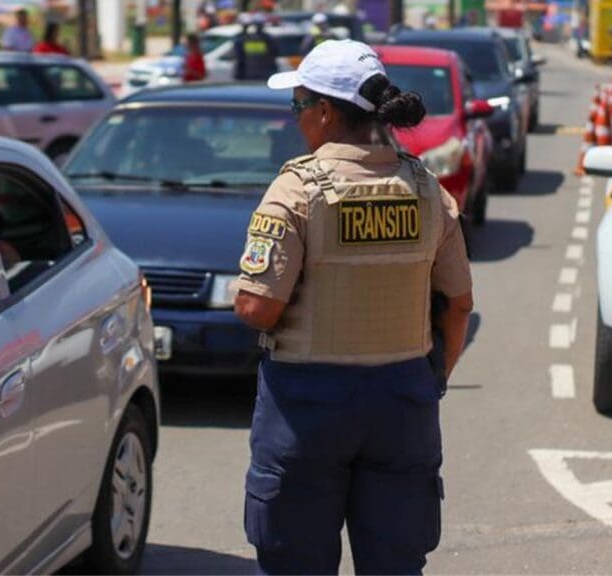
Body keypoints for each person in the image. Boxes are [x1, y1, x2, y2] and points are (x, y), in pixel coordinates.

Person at [232, 39, 474, 575]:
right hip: (403, 401)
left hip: (305, 406)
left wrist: (239, 291)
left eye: (298, 106)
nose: (296, 121)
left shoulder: (296, 192)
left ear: (323, 112)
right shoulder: (426, 188)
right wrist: (431, 377)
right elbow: (459, 304)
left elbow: (257, 308)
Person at [233, 14, 279, 81]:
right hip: (260, 74)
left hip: (251, 75)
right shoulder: (268, 39)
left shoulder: (243, 38)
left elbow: (239, 57)